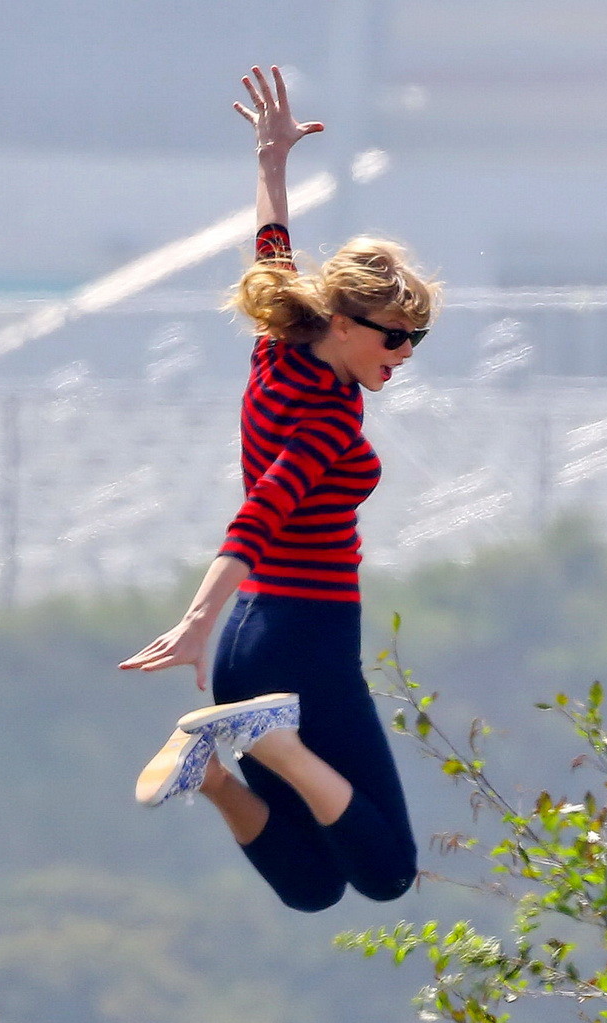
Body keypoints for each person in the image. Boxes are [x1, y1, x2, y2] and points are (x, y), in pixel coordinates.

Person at [119, 65, 441, 913]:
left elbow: (274, 251)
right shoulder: (328, 420)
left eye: (417, 340)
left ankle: (213, 769)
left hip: (249, 653)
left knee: (311, 885)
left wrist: (271, 166)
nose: (403, 354)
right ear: (344, 323)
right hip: (303, 640)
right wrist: (194, 621)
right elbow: (258, 517)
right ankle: (269, 741)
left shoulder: (279, 345)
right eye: (396, 337)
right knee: (386, 871)